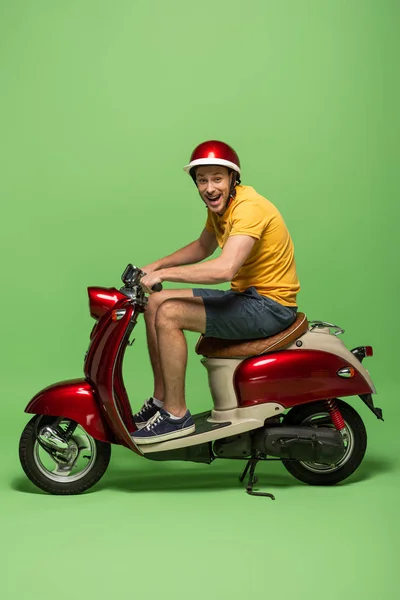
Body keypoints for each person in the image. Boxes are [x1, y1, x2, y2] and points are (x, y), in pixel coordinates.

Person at [131, 140, 300, 445]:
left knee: (169, 314)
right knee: (156, 302)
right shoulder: (221, 208)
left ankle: (175, 415)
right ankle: (160, 402)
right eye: (202, 180)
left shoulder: (249, 208)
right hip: (245, 297)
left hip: (270, 306)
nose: (209, 188)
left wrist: (163, 274)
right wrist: (153, 266)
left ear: (234, 179)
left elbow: (224, 270)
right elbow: (202, 247)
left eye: (217, 179)